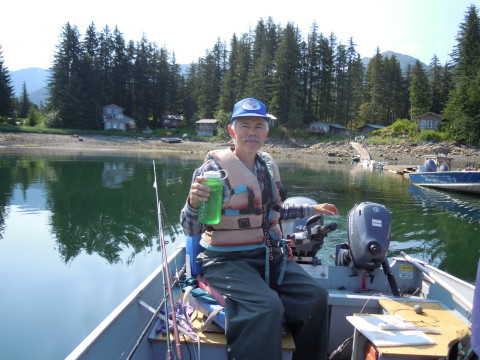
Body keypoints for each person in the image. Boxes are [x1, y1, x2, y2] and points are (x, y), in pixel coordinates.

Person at [180, 97, 339, 360]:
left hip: (267, 255)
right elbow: (191, 227)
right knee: (266, 306)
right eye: (245, 125)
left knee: (316, 296)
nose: (252, 131)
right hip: (224, 261)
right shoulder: (213, 171)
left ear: (266, 131)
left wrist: (313, 209)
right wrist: (192, 203)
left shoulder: (265, 165)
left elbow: (271, 213)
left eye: (258, 125)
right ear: (232, 130)